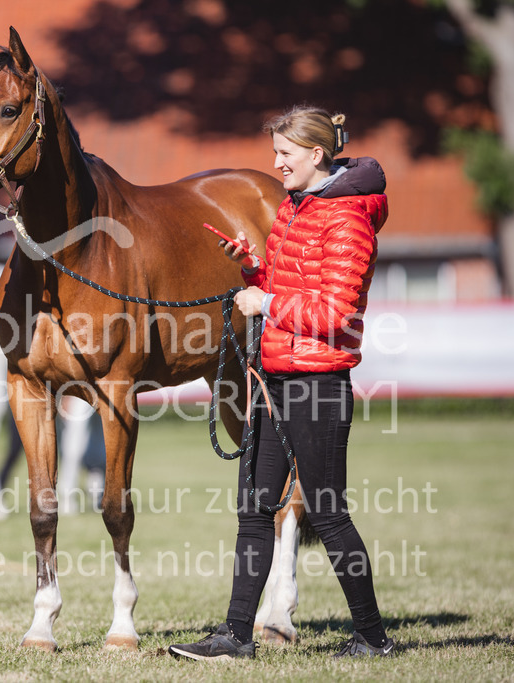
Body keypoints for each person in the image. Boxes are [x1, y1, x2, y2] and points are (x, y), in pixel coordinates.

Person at [168, 106, 394, 661]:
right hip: (276, 376)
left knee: (327, 512)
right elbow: (288, 281)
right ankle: (235, 637)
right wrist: (251, 267)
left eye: (285, 155)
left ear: (317, 155)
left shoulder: (346, 219)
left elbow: (339, 312)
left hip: (318, 383)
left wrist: (266, 302)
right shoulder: (296, 208)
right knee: (254, 508)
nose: (276, 165)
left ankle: (372, 637)